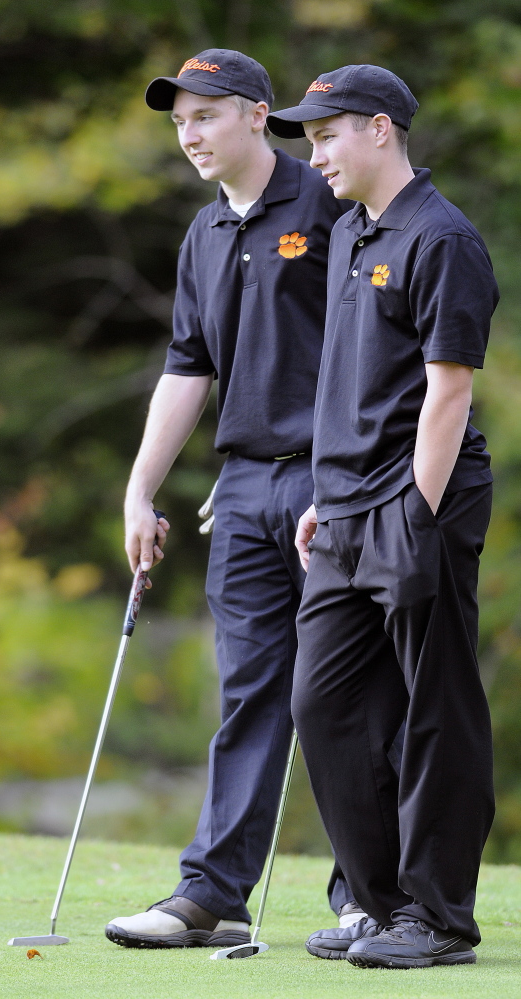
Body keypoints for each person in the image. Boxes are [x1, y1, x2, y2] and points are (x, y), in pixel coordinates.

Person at [104, 49, 358, 951]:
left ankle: (368, 895)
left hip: (338, 478)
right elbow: (189, 367)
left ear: (257, 115)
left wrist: (341, 476)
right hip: (244, 484)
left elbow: (372, 348)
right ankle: (210, 894)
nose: (189, 135)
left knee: (342, 692)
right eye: (178, 122)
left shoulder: (330, 201)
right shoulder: (205, 234)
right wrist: (141, 490)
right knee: (249, 690)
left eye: (205, 116)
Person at [267, 64, 498, 969]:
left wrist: (417, 510)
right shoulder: (355, 231)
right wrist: (331, 491)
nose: (314, 154)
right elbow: (357, 385)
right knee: (321, 702)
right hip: (349, 505)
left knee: (434, 708)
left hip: (419, 500)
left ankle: (438, 918)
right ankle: (379, 900)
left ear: (378, 129)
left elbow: (448, 393)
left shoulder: (443, 238)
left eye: (325, 136)